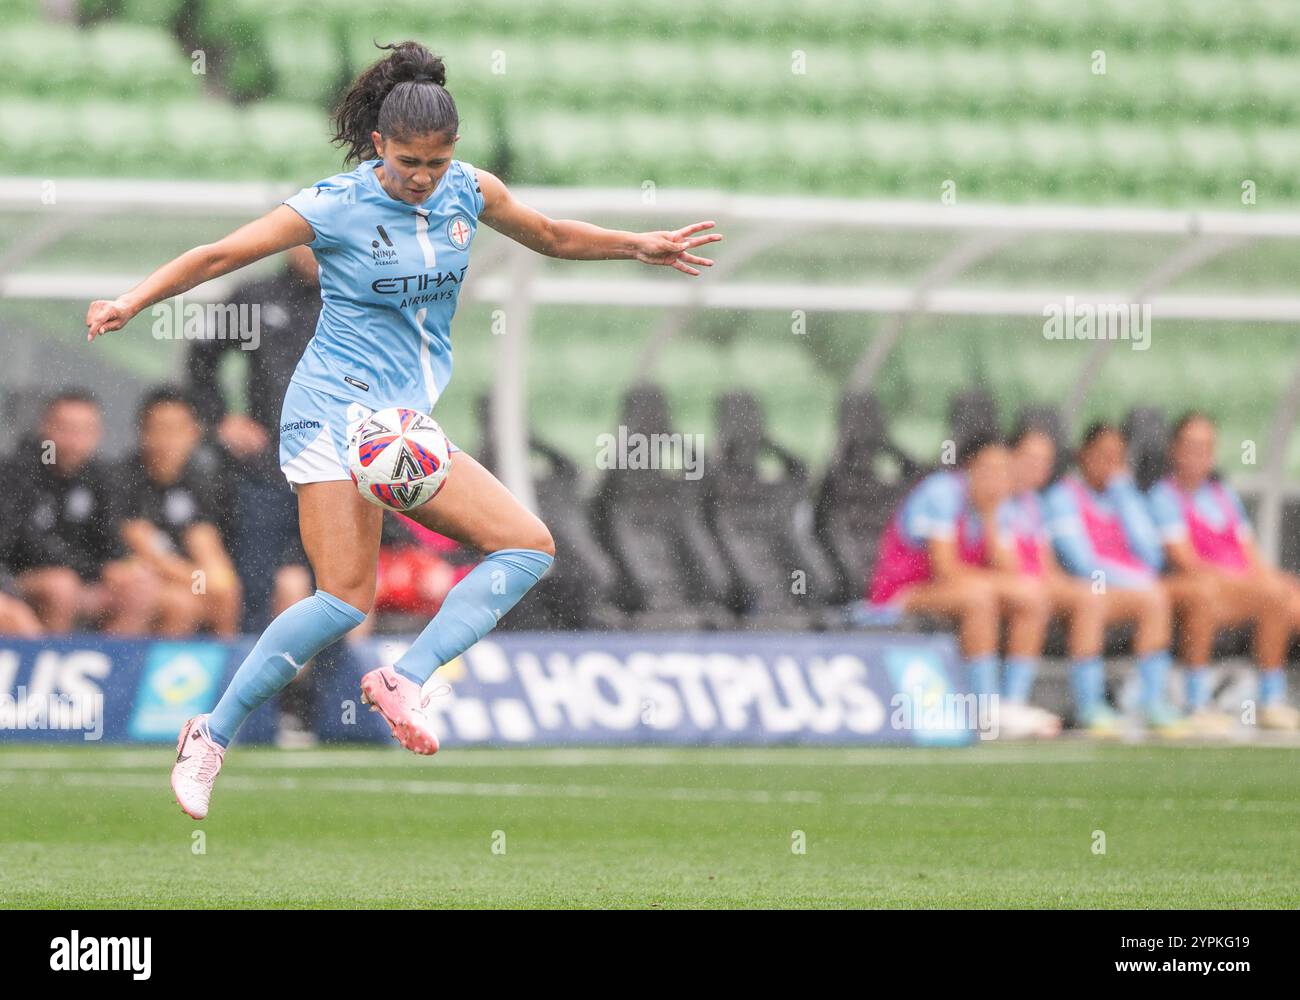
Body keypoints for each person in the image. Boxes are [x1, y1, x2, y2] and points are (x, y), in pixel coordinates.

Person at [84, 40, 722, 820]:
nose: (424, 177)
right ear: (380, 145)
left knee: (521, 548)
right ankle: (212, 736)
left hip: (401, 421)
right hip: (329, 414)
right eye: (411, 161)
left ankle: (403, 679)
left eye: (438, 161)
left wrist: (640, 245)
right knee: (346, 598)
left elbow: (551, 235)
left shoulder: (468, 192)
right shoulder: (334, 204)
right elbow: (219, 254)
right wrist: (131, 301)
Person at [187, 243, 324, 744]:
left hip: (332, 472)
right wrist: (222, 419)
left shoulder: (351, 296)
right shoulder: (253, 296)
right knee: (257, 587)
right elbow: (199, 359)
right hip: (265, 474)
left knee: (330, 593)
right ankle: (245, 716)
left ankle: (312, 711)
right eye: (305, 240)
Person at [868, 432, 1060, 738]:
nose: (997, 479)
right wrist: (998, 585)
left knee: (1033, 597)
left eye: (1003, 471)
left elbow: (1010, 571)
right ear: (969, 467)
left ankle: (1010, 703)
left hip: (960, 591)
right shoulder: (941, 493)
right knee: (980, 597)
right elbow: (945, 571)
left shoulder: (1000, 505)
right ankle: (983, 706)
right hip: (902, 593)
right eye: (989, 470)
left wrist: (990, 518)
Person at [1044, 423, 1219, 737]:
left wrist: (1125, 497)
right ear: (1083, 454)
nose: (1108, 464)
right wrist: (1139, 582)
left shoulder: (1124, 497)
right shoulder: (1063, 495)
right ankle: (1090, 705)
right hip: (1088, 586)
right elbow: (1083, 564)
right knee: (1097, 600)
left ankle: (1152, 703)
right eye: (1101, 455)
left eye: (1116, 457)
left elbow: (1151, 556)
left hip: (1127, 591)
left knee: (1155, 600)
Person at [1148, 412, 1300, 730]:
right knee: (1210, 593)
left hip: (1238, 591)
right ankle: (1196, 702)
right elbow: (1186, 562)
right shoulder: (1163, 496)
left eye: (1205, 447)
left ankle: (1271, 701)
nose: (1198, 455)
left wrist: (1279, 583)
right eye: (1191, 446)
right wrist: (1249, 584)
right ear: (1174, 449)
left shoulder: (1223, 495)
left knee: (1281, 593)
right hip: (1195, 587)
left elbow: (1252, 557)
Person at [4, 389, 158, 634]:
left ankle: (113, 667)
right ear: (45, 428)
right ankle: (54, 664)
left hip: (84, 579)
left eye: (84, 431)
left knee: (139, 585)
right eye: (65, 429)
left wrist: (118, 569)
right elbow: (23, 546)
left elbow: (111, 541)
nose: (74, 440)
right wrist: (95, 570)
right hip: (21, 580)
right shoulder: (19, 471)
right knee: (61, 586)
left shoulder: (102, 476)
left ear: (97, 434)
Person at [114, 388, 243, 637]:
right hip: (133, 579)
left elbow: (206, 544)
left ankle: (229, 672)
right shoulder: (125, 480)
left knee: (225, 594)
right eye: (158, 428)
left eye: (175, 429)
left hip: (182, 580)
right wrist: (207, 581)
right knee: (179, 604)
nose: (166, 440)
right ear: (142, 432)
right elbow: (147, 552)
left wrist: (217, 582)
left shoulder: (200, 484)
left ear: (194, 433)